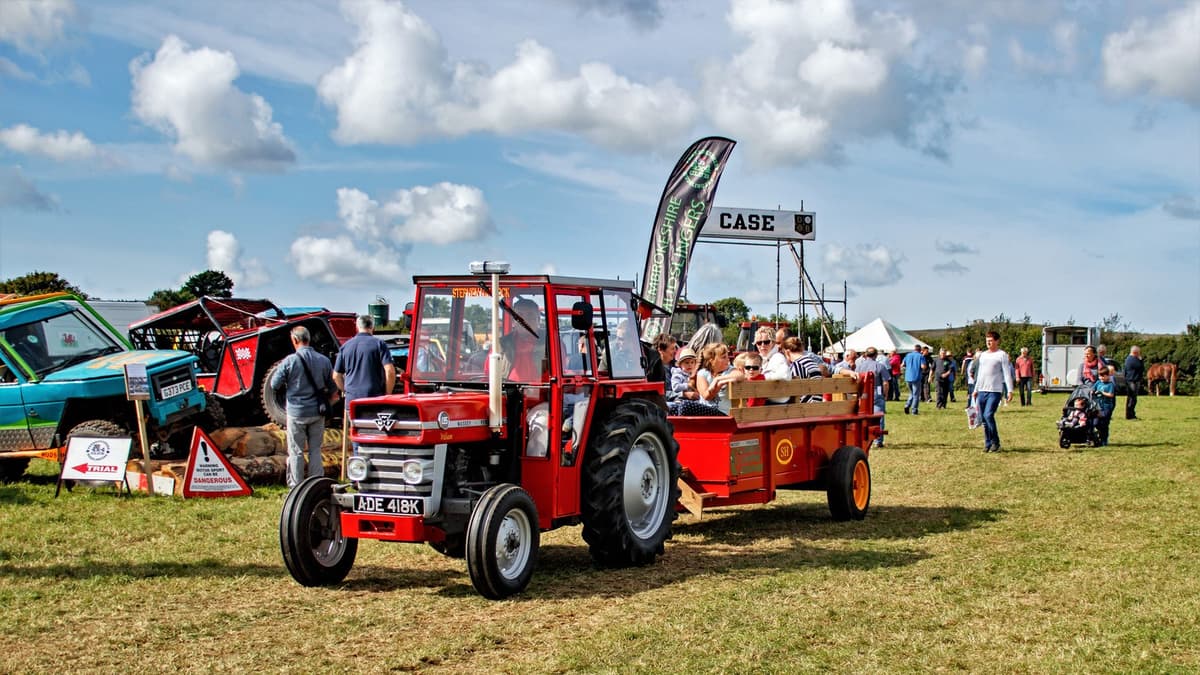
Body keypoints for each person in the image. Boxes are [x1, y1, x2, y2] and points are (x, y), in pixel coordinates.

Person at [270, 326, 336, 488]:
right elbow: (333, 387)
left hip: (296, 412)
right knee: (315, 449)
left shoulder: (290, 361)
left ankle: (296, 486)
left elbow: (274, 384)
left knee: (296, 451)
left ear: (294, 340)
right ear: (309, 339)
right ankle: (315, 485)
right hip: (317, 412)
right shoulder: (324, 360)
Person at [333, 314, 395, 408]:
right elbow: (390, 371)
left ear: (357, 327)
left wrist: (346, 391)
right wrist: (387, 394)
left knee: (353, 419)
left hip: (352, 401)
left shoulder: (345, 346)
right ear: (372, 327)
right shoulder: (379, 344)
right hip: (374, 399)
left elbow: (336, 376)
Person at [975, 331, 1014, 453]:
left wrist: (1010, 390)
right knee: (983, 418)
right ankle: (988, 443)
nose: (988, 343)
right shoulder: (983, 355)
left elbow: (1007, 373)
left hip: (995, 390)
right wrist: (976, 389)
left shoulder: (1001, 355)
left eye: (991, 340)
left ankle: (995, 442)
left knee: (988, 415)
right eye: (987, 340)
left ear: (997, 341)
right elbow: (980, 374)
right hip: (982, 390)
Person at [496, 298, 547, 381]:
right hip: (507, 388)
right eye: (519, 316)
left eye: (530, 315)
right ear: (513, 321)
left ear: (538, 319)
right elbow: (489, 373)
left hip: (541, 388)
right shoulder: (501, 344)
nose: (524, 320)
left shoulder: (551, 342)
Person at [856, 347, 890, 446]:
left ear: (866, 354)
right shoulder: (880, 366)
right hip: (876, 392)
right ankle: (877, 440)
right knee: (878, 417)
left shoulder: (859, 366)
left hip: (863, 393)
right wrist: (885, 394)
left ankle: (863, 438)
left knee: (863, 417)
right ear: (876, 355)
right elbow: (885, 383)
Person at [696, 342, 742, 414]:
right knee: (679, 407)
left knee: (685, 406)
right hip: (705, 412)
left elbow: (740, 376)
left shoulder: (730, 370)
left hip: (723, 413)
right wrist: (718, 384)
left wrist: (718, 379)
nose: (728, 359)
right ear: (712, 360)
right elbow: (707, 396)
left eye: (727, 356)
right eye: (724, 357)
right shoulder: (702, 373)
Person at [755, 327, 791, 404]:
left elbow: (785, 375)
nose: (762, 345)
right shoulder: (759, 359)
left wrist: (762, 377)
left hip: (776, 403)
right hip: (765, 400)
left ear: (773, 342)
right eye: (759, 343)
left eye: (766, 342)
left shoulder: (778, 357)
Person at [1093, 367, 1116, 445]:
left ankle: (1104, 439)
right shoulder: (1098, 383)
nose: (1101, 378)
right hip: (1097, 406)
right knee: (1095, 422)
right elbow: (1093, 390)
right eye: (1100, 376)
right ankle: (1099, 433)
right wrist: (1093, 392)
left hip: (1106, 406)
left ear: (1108, 376)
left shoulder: (1110, 385)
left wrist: (1102, 393)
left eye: (1103, 376)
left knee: (1104, 423)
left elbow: (1111, 394)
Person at [903, 347, 927, 415]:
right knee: (916, 395)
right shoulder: (921, 356)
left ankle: (907, 405)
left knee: (911, 393)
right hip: (916, 377)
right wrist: (925, 367)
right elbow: (923, 366)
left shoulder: (908, 355)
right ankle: (914, 410)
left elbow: (903, 364)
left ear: (914, 349)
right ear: (920, 350)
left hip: (908, 377)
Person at [1123, 345, 1144, 420]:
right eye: (1138, 352)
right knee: (1132, 398)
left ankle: (1130, 414)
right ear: (1135, 352)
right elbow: (1141, 367)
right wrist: (1141, 360)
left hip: (1131, 380)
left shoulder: (1128, 359)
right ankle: (1130, 415)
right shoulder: (1132, 359)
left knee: (1131, 398)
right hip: (1132, 381)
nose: (1139, 354)